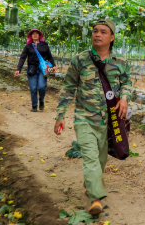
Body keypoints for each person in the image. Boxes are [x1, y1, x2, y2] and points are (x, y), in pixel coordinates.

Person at [53, 19, 132, 216]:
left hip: (108, 121)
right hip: (84, 118)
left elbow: (127, 83)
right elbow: (68, 87)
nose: (98, 34)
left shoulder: (120, 62)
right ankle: (95, 199)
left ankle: (90, 183)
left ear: (111, 37)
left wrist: (124, 98)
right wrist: (60, 115)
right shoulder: (80, 60)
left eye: (103, 32)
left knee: (101, 159)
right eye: (95, 31)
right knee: (90, 157)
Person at [15, 28, 57, 112]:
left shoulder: (45, 45)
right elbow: (22, 58)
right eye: (33, 34)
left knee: (42, 86)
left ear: (39, 35)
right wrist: (18, 69)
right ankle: (34, 106)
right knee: (33, 88)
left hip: (43, 69)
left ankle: (41, 99)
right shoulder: (28, 46)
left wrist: (54, 65)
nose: (35, 35)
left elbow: (50, 56)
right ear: (31, 36)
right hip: (32, 69)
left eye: (36, 33)